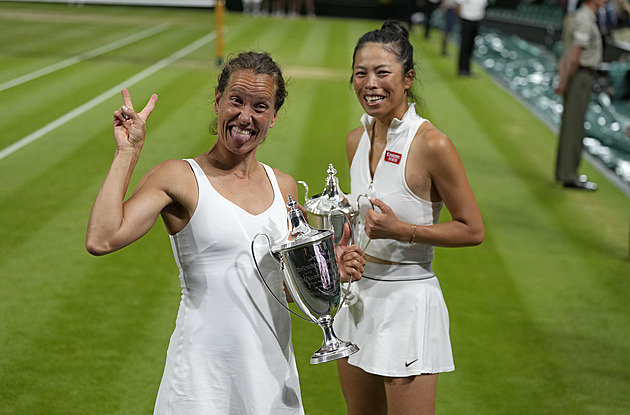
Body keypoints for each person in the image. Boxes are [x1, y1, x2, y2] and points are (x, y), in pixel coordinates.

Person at [85, 51, 365, 414]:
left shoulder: (283, 187)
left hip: (270, 379)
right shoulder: (178, 177)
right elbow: (102, 238)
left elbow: (279, 289)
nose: (245, 116)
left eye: (260, 106)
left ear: (274, 117)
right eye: (236, 100)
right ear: (218, 102)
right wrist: (127, 152)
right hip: (201, 383)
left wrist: (328, 275)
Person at [332, 20, 484, 415]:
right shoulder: (355, 139)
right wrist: (342, 248)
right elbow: (353, 220)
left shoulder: (433, 144)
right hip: (357, 300)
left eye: (383, 73)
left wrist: (405, 230)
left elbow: (472, 229)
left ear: (408, 78)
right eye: (361, 73)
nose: (370, 83)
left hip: (408, 303)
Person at [555, 0, 606, 190]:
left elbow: (566, 53)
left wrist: (562, 79)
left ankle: (564, 171)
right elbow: (574, 56)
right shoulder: (584, 19)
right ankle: (569, 175)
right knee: (574, 127)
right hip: (580, 77)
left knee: (570, 124)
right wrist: (565, 81)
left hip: (576, 76)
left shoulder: (578, 16)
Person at [455, 0, 488, 76]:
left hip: (476, 21)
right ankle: (461, 69)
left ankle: (467, 69)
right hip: (467, 20)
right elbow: (458, 5)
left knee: (471, 45)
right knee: (465, 45)